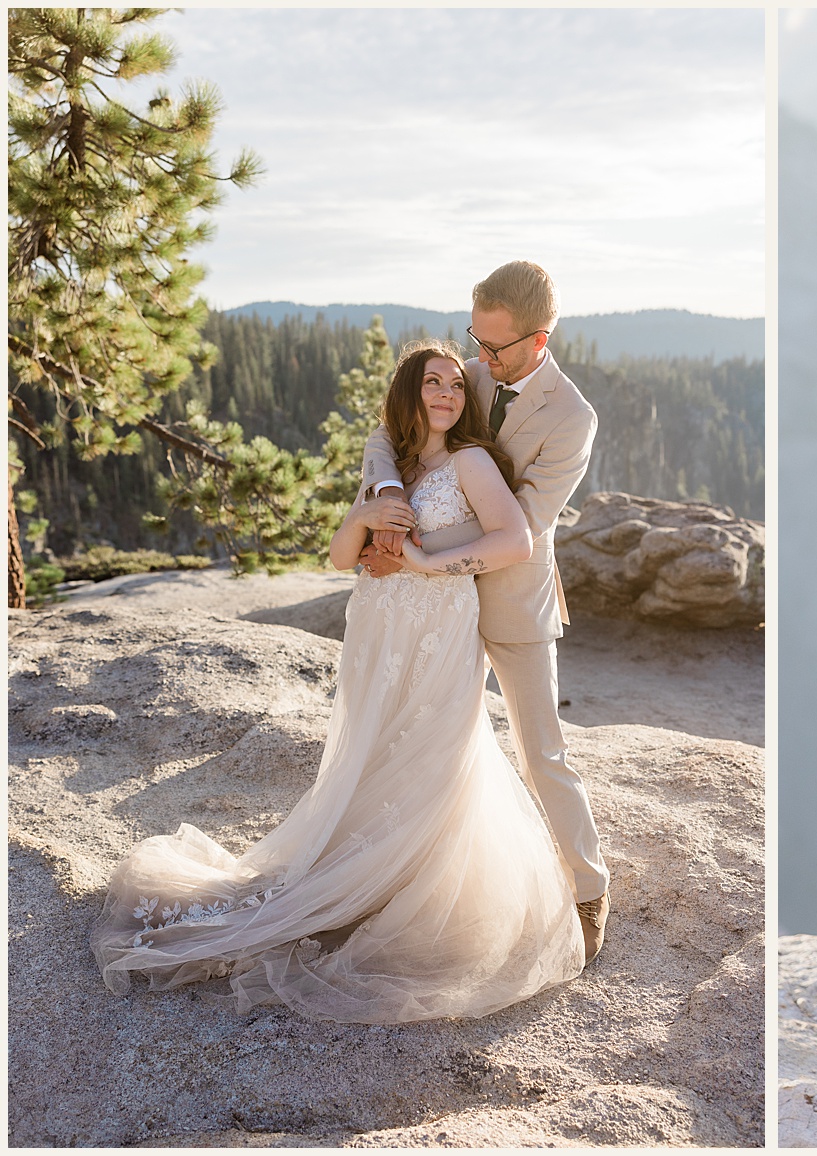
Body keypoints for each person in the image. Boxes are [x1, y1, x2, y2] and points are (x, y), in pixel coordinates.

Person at [90, 340, 586, 1022]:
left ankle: (410, 881)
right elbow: (340, 555)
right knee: (372, 749)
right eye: (431, 383)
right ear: (409, 397)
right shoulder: (397, 465)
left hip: (438, 626)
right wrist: (362, 516)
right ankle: (365, 868)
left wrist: (417, 561)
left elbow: (512, 542)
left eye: (454, 384)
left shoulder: (472, 462)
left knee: (434, 749)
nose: (446, 393)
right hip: (378, 629)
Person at [355, 261, 608, 961]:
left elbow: (520, 527)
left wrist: (418, 552)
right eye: (477, 342)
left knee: (540, 752)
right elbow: (390, 430)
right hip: (433, 610)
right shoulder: (469, 369)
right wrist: (386, 499)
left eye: (496, 349)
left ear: (540, 340)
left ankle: (588, 887)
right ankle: (409, 881)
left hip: (513, 601)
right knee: (422, 740)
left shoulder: (572, 418)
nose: (481, 361)